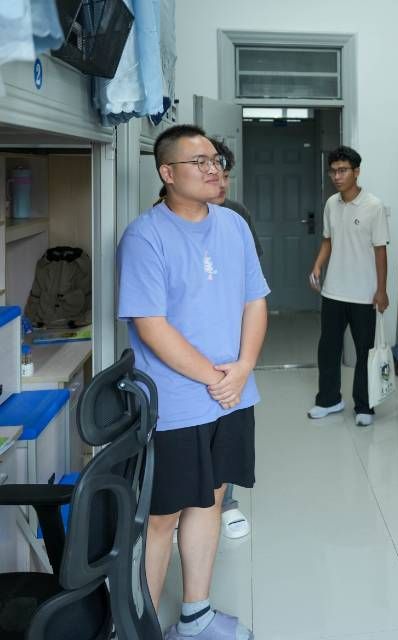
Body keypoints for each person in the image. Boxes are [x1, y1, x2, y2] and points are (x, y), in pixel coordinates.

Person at [118, 124, 268, 640]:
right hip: (177, 404)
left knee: (210, 500)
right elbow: (150, 325)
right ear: (167, 172)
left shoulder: (233, 225)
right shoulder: (145, 236)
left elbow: (254, 300)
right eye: (199, 161)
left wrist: (242, 368)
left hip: (232, 395)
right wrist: (215, 377)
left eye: (216, 161)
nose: (213, 169)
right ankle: (138, 630)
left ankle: (196, 616)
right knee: (163, 516)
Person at [307, 145, 389, 427]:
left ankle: (364, 406)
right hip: (333, 291)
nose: (337, 176)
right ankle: (328, 400)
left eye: (343, 171)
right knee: (328, 349)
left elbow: (380, 251)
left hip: (364, 294)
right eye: (333, 171)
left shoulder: (374, 206)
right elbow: (328, 240)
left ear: (356, 172)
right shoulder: (332, 204)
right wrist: (318, 265)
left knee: (365, 352)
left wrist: (382, 290)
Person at [210, 138, 261, 540]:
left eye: (227, 175)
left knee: (227, 426)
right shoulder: (157, 224)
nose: (222, 183)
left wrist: (246, 357)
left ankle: (225, 503)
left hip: (230, 342)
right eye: (216, 173)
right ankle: (185, 507)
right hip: (186, 350)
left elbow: (253, 284)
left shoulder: (236, 216)